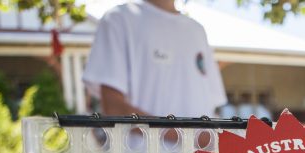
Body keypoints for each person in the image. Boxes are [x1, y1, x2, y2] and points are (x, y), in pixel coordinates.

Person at [83, 0, 227, 117]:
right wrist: (187, 137)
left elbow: (212, 107)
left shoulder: (197, 30)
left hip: (200, 151)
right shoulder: (119, 19)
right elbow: (113, 107)